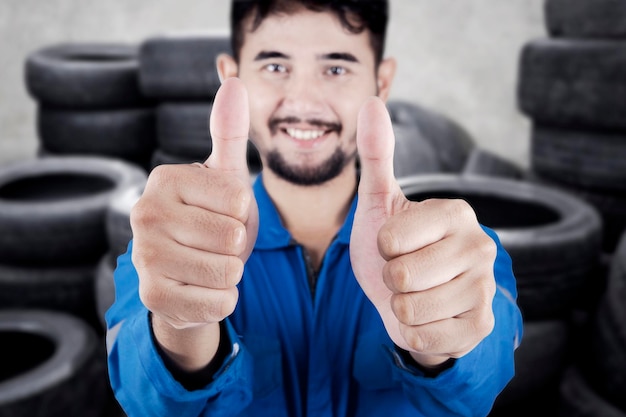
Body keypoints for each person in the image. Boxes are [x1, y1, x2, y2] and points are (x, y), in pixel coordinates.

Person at [105, 0, 523, 416]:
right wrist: (186, 321)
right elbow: (146, 399)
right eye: (275, 66)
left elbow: (483, 377)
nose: (303, 100)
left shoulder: (458, 254)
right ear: (230, 76)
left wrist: (440, 341)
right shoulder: (164, 249)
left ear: (382, 81)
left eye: (336, 68)